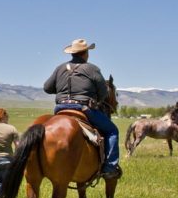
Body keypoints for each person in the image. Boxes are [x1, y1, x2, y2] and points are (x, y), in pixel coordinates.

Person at [43, 38, 121, 180]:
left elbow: (47, 88)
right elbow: (103, 93)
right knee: (112, 131)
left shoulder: (60, 68)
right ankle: (110, 168)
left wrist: (62, 90)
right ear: (86, 53)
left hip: (60, 109)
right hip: (83, 108)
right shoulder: (92, 68)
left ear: (72, 53)